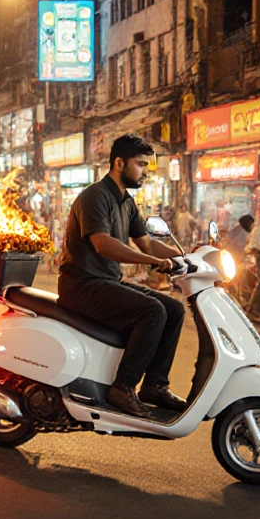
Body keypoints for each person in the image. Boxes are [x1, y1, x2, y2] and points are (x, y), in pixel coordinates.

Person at [56, 134, 186, 418]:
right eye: (140, 165)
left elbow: (147, 242)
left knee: (174, 309)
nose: (145, 173)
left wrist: (186, 257)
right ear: (119, 162)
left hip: (105, 284)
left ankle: (154, 386)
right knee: (153, 312)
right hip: (81, 285)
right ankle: (123, 387)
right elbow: (103, 244)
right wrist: (154, 262)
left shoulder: (127, 203)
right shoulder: (94, 197)